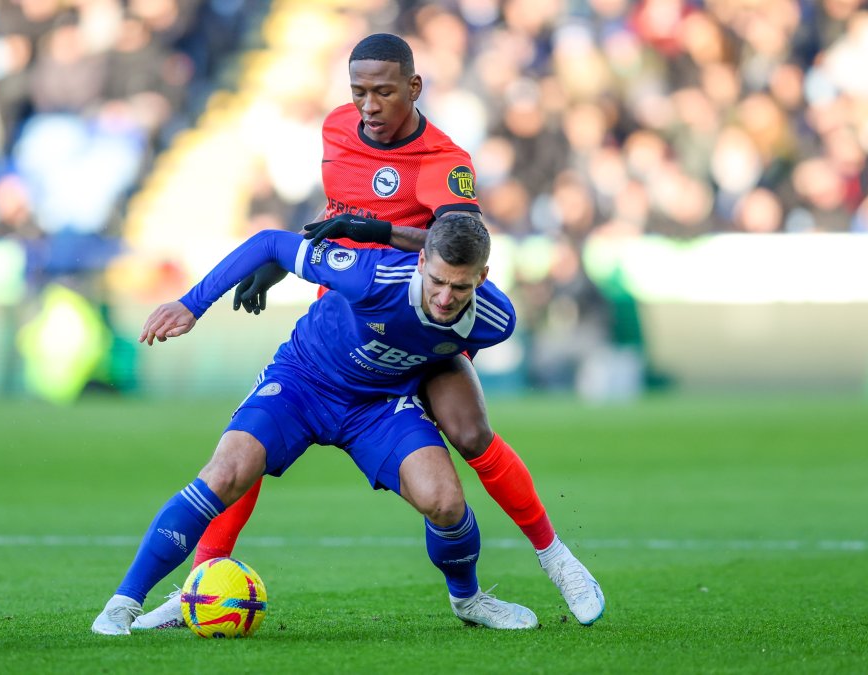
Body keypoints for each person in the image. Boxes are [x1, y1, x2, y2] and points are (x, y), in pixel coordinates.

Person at [133, 33, 605, 630]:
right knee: (247, 447)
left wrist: (381, 232)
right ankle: (199, 586)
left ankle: (555, 558)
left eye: (384, 92)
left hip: (422, 316)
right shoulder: (336, 129)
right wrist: (276, 266)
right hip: (347, 319)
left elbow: (456, 248)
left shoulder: (444, 162)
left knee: (469, 429)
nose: (369, 106)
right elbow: (331, 228)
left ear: (414, 87)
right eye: (359, 92)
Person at [93, 215, 541, 634]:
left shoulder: (496, 320)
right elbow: (270, 242)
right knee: (226, 473)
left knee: (444, 501)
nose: (445, 297)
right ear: (421, 261)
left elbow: (447, 352)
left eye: (459, 288)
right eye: (437, 281)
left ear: (481, 279)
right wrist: (192, 305)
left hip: (380, 404)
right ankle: (123, 604)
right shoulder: (368, 275)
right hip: (303, 382)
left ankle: (469, 600)